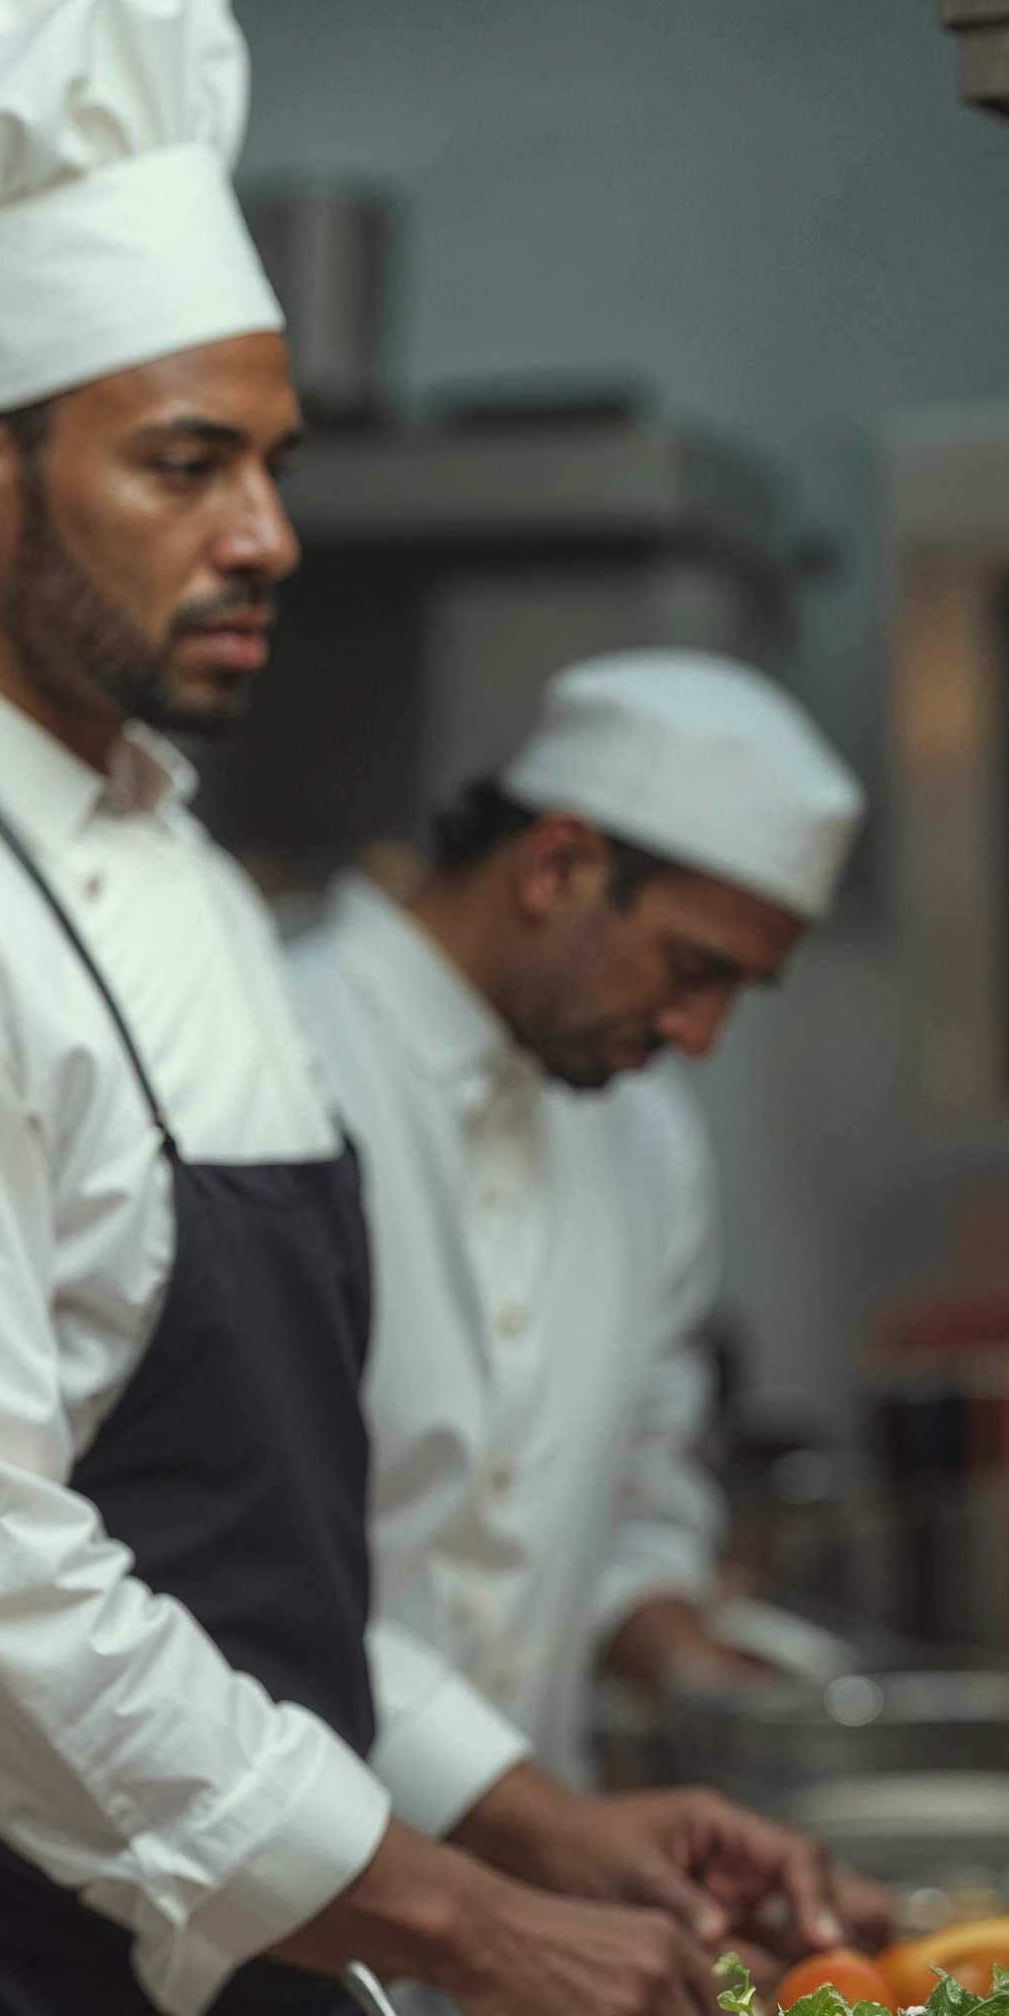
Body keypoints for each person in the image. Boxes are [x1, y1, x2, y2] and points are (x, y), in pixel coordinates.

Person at [0, 0, 840, 2016]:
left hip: (240, 1961)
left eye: (268, 459)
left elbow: (248, 1560)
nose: (268, 529)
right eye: (184, 462)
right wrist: (460, 1903)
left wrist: (529, 1815)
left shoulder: (176, 873)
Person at [285, 652, 866, 1818]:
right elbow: (239, 1568)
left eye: (738, 990)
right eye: (693, 969)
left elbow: (637, 1484)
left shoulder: (647, 1137)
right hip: (273, 1907)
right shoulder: (276, 1061)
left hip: (533, 1914)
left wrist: (677, 1646)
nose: (700, 1034)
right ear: (556, 863)